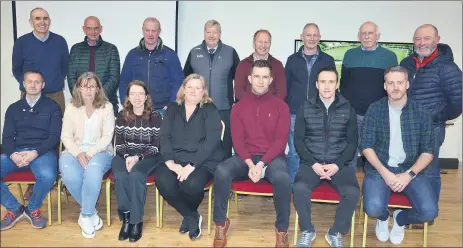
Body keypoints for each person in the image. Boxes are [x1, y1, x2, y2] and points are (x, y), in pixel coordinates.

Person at [213, 60, 291, 248]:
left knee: (283, 178)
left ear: (271, 80)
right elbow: (237, 141)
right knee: (222, 170)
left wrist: (261, 164)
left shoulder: (282, 107)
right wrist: (250, 164)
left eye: (265, 77)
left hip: (272, 158)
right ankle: (221, 224)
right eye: (257, 76)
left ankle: (282, 230)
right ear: (249, 78)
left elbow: (280, 141)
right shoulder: (238, 107)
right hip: (245, 156)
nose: (261, 81)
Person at [360, 66, 438, 245]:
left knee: (429, 212)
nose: (395, 87)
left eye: (400, 82)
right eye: (391, 83)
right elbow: (366, 146)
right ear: (385, 86)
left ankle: (400, 219)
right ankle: (382, 217)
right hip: (379, 168)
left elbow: (428, 151)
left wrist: (409, 174)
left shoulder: (422, 113)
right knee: (372, 208)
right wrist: (385, 173)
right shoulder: (374, 110)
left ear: (407, 84)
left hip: (410, 168)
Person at [400, 24, 462, 227]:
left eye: (427, 38)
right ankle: (412, 205)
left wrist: (437, 117)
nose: (421, 43)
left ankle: (428, 213)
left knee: (430, 170)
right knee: (409, 166)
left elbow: (458, 101)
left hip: (432, 129)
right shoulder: (406, 63)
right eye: (418, 39)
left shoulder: (448, 68)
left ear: (437, 39)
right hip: (407, 126)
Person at [293, 67, 360, 247]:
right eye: (323, 82)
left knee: (352, 192)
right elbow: (298, 140)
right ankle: (307, 230)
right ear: (316, 84)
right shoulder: (305, 106)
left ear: (337, 84)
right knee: (299, 189)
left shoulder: (348, 108)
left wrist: (337, 165)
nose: (327, 86)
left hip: (339, 164)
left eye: (331, 82)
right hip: (311, 163)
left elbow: (352, 143)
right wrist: (313, 163)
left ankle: (335, 232)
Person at [156, 73, 225, 241]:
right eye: (190, 87)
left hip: (203, 160)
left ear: (203, 92)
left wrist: (192, 165)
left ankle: (189, 216)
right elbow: (164, 136)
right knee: (161, 179)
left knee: (191, 183)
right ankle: (191, 215)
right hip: (176, 158)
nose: (193, 91)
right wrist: (171, 163)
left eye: (198, 88)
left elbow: (212, 141)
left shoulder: (210, 109)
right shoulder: (172, 108)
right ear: (183, 89)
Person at [1, 70, 62, 231]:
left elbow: (54, 136)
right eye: (30, 81)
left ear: (43, 85)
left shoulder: (52, 107)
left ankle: (33, 208)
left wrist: (35, 153)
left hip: (42, 153)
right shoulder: (13, 108)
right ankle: (14, 208)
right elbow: (6, 138)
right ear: (23, 84)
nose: (33, 85)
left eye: (37, 82)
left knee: (48, 175)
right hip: (17, 153)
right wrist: (13, 154)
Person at [59, 72, 115, 239]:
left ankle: (85, 215)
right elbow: (66, 136)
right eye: (85, 86)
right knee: (69, 174)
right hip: (73, 151)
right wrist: (78, 154)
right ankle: (90, 213)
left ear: (98, 88)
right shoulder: (71, 108)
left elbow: (107, 137)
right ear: (79, 88)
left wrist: (89, 153)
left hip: (100, 151)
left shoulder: (107, 107)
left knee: (92, 171)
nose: (88, 90)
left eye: (92, 86)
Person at [339, 21, 398, 169]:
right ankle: (349, 186)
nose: (366, 37)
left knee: (376, 155)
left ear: (377, 35)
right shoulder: (349, 55)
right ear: (358, 36)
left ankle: (373, 187)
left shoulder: (390, 56)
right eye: (363, 33)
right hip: (353, 114)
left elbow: (393, 85)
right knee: (350, 152)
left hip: (378, 116)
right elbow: (343, 84)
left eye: (370, 33)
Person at [112, 80, 163, 243]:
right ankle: (126, 218)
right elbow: (118, 141)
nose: (137, 97)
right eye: (133, 93)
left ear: (146, 96)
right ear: (128, 97)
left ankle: (136, 221)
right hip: (124, 155)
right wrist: (127, 156)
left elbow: (156, 145)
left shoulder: (155, 116)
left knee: (136, 174)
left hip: (148, 156)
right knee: (120, 175)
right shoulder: (122, 115)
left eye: (141, 93)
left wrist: (138, 157)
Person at [285, 23, 336, 184]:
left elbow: (333, 87)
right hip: (294, 113)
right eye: (308, 35)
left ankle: (311, 184)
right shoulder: (292, 60)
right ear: (302, 37)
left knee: (316, 152)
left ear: (320, 37)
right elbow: (286, 86)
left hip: (318, 114)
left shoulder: (328, 60)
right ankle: (293, 185)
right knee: (293, 152)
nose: (312, 38)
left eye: (315, 35)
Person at [183, 19, 240, 159]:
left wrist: (237, 102)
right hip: (199, 108)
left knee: (224, 146)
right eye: (208, 32)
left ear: (220, 34)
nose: (211, 35)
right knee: (199, 144)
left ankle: (224, 176)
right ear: (204, 33)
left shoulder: (230, 52)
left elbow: (238, 79)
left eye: (215, 32)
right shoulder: (194, 53)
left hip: (223, 108)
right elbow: (185, 78)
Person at [119, 17, 184, 116]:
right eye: (147, 30)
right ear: (142, 30)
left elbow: (178, 81)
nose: (150, 34)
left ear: (159, 32)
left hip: (162, 111)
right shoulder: (132, 55)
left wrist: (171, 105)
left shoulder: (170, 55)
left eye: (153, 31)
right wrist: (126, 103)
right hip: (137, 110)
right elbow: (124, 81)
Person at [12, 7, 68, 114]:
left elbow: (65, 67)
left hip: (55, 95)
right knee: (28, 127)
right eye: (37, 18)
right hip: (29, 95)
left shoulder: (60, 41)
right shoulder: (21, 43)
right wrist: (30, 86)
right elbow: (16, 69)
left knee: (57, 127)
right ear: (31, 21)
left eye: (45, 18)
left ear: (49, 21)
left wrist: (54, 82)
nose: (42, 22)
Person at [68, 16, 121, 116]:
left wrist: (98, 97)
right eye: (89, 28)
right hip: (81, 105)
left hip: (106, 103)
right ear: (84, 29)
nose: (93, 32)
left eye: (96, 28)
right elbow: (71, 78)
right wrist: (82, 97)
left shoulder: (111, 49)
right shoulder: (76, 49)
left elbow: (114, 78)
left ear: (101, 29)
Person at [234, 29, 286, 101]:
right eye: (260, 42)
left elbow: (281, 92)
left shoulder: (278, 65)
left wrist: (267, 105)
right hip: (248, 108)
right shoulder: (243, 65)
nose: (263, 45)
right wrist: (255, 104)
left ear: (270, 44)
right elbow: (238, 91)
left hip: (271, 109)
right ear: (254, 43)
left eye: (266, 42)